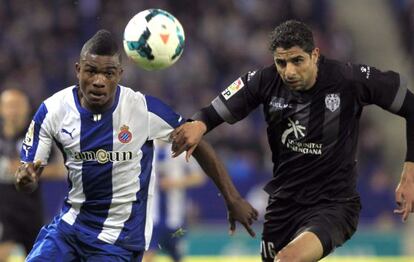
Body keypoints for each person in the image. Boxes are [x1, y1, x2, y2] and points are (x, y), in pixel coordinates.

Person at [171, 20, 414, 261]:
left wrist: (409, 174)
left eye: (297, 60)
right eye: (281, 62)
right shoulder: (264, 81)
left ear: (315, 54)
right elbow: (212, 113)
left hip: (334, 205)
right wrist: (199, 124)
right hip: (283, 206)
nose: (289, 71)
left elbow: (411, 106)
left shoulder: (348, 79)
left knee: (288, 259)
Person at [14, 29, 258, 262]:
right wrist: (26, 180)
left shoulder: (143, 109)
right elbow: (27, 175)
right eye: (91, 71)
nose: (99, 81)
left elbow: (198, 143)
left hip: (119, 239)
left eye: (108, 73)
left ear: (119, 74)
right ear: (78, 70)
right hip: (69, 228)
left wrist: (232, 198)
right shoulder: (52, 110)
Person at [0, 89, 65, 261]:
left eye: (18, 106)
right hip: (3, 212)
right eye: (9, 106)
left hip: (30, 211)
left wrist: (29, 170)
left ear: (27, 109)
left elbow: (60, 170)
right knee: (4, 250)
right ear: (1, 109)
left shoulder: (38, 137)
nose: (14, 111)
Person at [143, 140, 206, 262]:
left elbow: (199, 177)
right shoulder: (145, 146)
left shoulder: (181, 148)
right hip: (151, 218)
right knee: (147, 256)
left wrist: (175, 183)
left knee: (178, 256)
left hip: (176, 219)